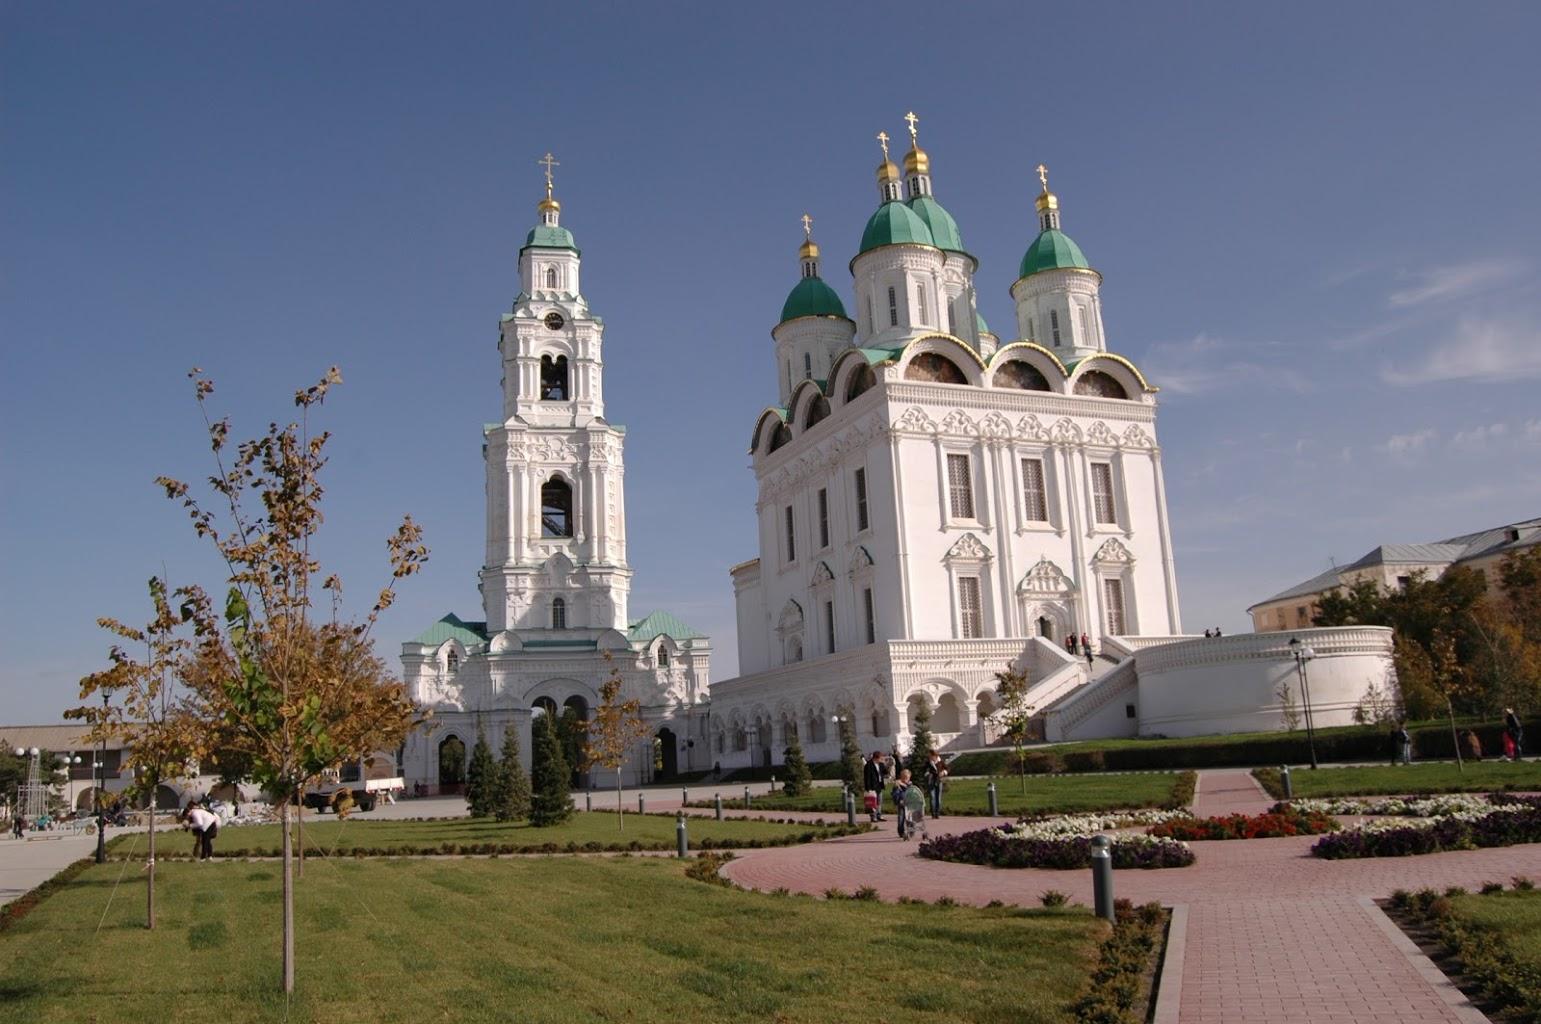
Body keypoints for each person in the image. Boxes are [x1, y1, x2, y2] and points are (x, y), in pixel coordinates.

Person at [862, 751, 885, 823]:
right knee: (872, 802)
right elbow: (867, 777)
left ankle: (879, 814)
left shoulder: (881, 765)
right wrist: (868, 788)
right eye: (881, 758)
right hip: (872, 786)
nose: (882, 760)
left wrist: (887, 766)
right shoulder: (868, 765)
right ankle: (873, 816)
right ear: (876, 758)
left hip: (879, 785)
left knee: (879, 801)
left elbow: (885, 772)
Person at [923, 750, 947, 817]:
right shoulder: (928, 763)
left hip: (938, 781)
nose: (930, 757)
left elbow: (947, 768)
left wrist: (943, 772)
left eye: (931, 756)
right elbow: (924, 770)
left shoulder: (940, 762)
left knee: (938, 797)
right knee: (932, 797)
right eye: (929, 756)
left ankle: (937, 812)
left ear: (935, 756)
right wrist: (927, 773)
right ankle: (933, 813)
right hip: (931, 781)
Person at [891, 769, 914, 840]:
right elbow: (895, 794)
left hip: (909, 804)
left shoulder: (910, 785)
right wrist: (898, 800)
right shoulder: (898, 785)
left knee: (910, 819)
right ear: (901, 777)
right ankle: (901, 832)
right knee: (901, 818)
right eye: (904, 778)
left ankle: (910, 831)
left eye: (907, 778)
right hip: (901, 804)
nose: (906, 780)